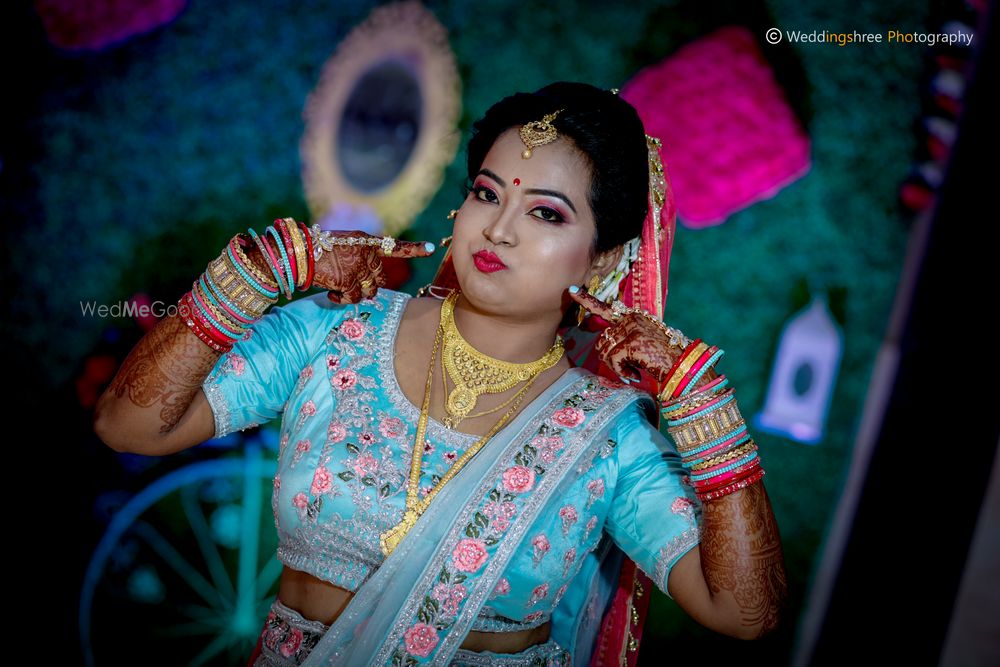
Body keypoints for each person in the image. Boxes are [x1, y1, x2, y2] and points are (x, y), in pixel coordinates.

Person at [94, 81, 787, 666]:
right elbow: (126, 424)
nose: (500, 229)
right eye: (489, 194)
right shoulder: (337, 332)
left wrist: (705, 401)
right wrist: (262, 269)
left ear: (603, 259)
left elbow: (744, 611)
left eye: (546, 212)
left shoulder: (606, 433)